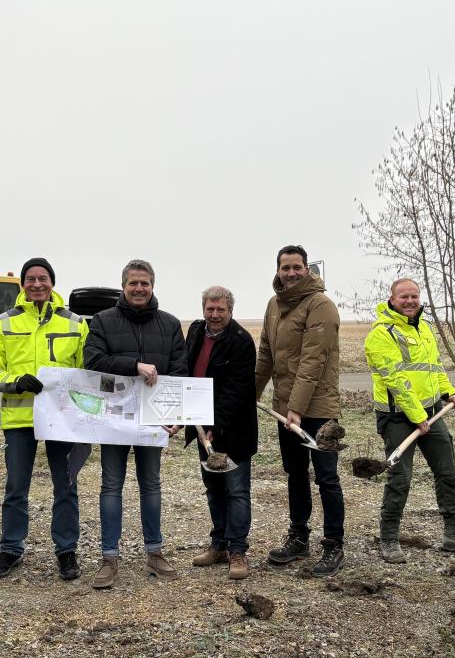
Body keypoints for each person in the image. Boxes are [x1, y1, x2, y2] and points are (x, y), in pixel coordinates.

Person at [0, 257, 88, 581]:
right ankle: (11, 548)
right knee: (15, 487)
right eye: (30, 279)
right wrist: (15, 382)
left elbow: (86, 371)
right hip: (20, 418)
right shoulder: (3, 323)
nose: (37, 284)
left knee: (66, 485)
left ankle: (67, 550)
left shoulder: (75, 323)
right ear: (23, 284)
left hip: (61, 418)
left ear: (52, 282)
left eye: (43, 278)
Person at [83, 259, 187, 589]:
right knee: (111, 486)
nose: (139, 288)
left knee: (151, 485)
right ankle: (109, 557)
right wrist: (135, 365)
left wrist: (176, 416)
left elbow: (179, 372)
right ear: (123, 287)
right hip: (114, 420)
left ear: (152, 286)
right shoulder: (102, 321)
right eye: (133, 283)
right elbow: (93, 360)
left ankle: (155, 553)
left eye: (144, 283)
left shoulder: (170, 324)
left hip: (152, 421)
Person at [365, 279, 455, 562]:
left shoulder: (425, 327)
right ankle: (389, 538)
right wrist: (418, 418)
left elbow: (433, 368)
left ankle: (454, 535)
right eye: (404, 296)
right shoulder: (381, 335)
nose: (410, 301)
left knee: (447, 473)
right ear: (391, 299)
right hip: (397, 418)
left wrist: (448, 392)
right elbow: (396, 381)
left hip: (431, 414)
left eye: (414, 296)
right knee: (400, 478)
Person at [255, 244, 346, 577]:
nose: (290, 273)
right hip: (285, 409)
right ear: (277, 270)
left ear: (307, 269)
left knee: (326, 477)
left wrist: (297, 408)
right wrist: (249, 397)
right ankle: (299, 536)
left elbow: (313, 360)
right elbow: (265, 355)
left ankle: (334, 544)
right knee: (295, 473)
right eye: (285, 267)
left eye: (296, 267)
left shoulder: (320, 305)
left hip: (319, 410)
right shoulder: (273, 305)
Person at [184, 286, 257, 580]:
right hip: (203, 427)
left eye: (220, 310)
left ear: (230, 311)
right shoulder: (195, 332)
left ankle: (238, 550)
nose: (214, 315)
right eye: (210, 309)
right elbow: (187, 374)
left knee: (236, 490)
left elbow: (236, 391)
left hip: (233, 429)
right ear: (203, 309)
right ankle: (219, 545)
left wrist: (215, 426)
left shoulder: (241, 341)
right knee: (214, 488)